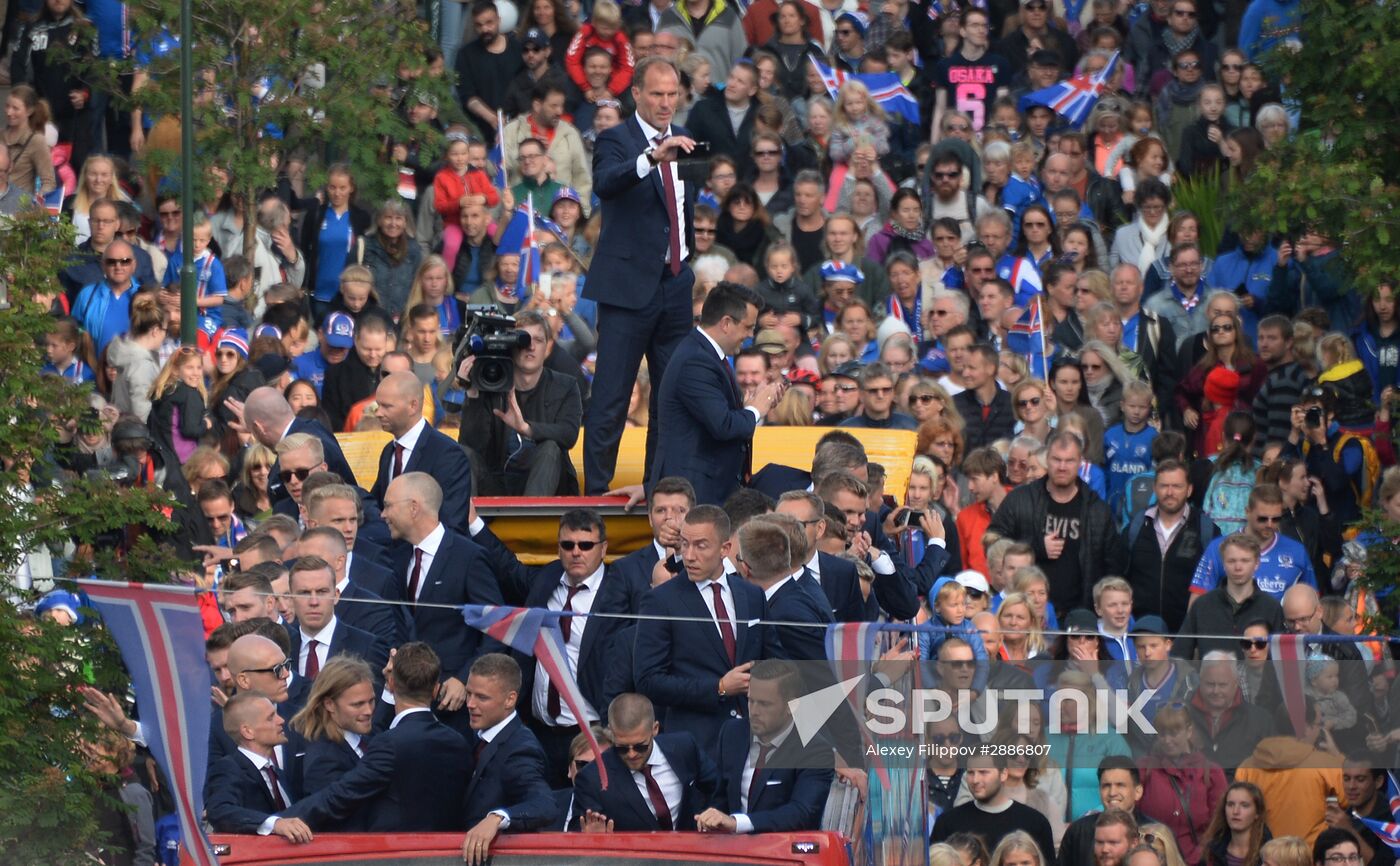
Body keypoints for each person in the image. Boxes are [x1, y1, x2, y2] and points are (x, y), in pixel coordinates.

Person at [583, 56, 705, 496]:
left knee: (671, 398)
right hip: (626, 290)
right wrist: (651, 158)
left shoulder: (686, 141)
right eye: (657, 93)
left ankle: (660, 491)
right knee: (611, 398)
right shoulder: (617, 139)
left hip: (674, 286)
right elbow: (606, 183)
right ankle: (595, 495)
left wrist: (687, 259)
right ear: (636, 94)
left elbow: (682, 207)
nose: (666, 102)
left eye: (673, 94)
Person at [467, 508, 640, 782]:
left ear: (603, 548)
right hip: (540, 730)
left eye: (585, 545)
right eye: (568, 545)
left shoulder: (620, 591)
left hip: (591, 732)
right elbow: (508, 567)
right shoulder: (547, 578)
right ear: (558, 548)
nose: (576, 552)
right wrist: (473, 522)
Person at [633, 505, 782, 751]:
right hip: (697, 748)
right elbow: (648, 681)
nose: (689, 555)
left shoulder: (752, 595)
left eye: (701, 546)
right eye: (684, 544)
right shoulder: (660, 601)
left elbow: (776, 661)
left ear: (725, 549)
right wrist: (719, 687)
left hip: (754, 741)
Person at [282, 641, 473, 833]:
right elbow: (332, 807)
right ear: (330, 704)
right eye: (357, 705)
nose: (368, 711)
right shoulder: (323, 756)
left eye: (371, 701)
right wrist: (274, 823)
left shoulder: (373, 738)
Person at [378, 472, 505, 731]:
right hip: (405, 704)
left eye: (389, 505)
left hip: (452, 705)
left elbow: (497, 629)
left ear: (414, 508)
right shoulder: (398, 557)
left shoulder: (468, 557)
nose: (383, 514)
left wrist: (465, 679)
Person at [650, 282, 782, 506]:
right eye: (748, 327)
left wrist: (746, 407)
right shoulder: (696, 361)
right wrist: (756, 409)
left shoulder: (704, 354)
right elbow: (723, 426)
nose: (750, 335)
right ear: (726, 323)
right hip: (694, 495)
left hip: (706, 490)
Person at [987, 430, 1127, 615]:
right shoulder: (1020, 499)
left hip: (1079, 616)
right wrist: (1035, 547)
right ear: (1047, 460)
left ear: (1080, 462)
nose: (1062, 467)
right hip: (1026, 614)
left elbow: (1113, 568)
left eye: (1069, 461)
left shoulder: (1097, 511)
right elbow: (992, 542)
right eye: (1056, 459)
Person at [456, 310, 583, 497]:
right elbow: (471, 446)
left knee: (551, 448)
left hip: (547, 482)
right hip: (497, 483)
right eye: (523, 339)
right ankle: (468, 525)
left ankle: (531, 524)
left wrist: (526, 428)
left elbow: (568, 434)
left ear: (547, 348)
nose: (530, 347)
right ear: (510, 346)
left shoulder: (565, 385)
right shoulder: (489, 384)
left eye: (538, 340)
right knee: (464, 453)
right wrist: (473, 391)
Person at [699, 659, 834, 833]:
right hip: (731, 852)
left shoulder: (815, 751)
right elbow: (720, 798)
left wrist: (738, 823)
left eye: (764, 704)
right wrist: (712, 819)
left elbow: (802, 813)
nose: (754, 711)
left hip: (783, 853)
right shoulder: (732, 734)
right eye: (750, 701)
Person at [459, 653, 558, 863]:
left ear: (510, 699)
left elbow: (544, 805)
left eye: (482, 697)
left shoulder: (520, 750)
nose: (470, 703)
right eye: (469, 694)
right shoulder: (476, 733)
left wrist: (497, 818)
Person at [572, 692, 720, 831]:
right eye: (622, 748)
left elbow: (719, 788)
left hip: (690, 852)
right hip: (632, 857)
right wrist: (595, 839)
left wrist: (711, 816)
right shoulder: (592, 778)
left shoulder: (684, 748)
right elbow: (578, 832)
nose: (631, 754)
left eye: (640, 746)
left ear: (655, 729)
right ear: (612, 733)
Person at [1122, 460, 1220, 632]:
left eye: (1176, 486)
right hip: (1141, 634)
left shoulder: (1207, 530)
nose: (1169, 492)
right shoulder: (1136, 527)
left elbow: (1216, 585)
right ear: (1154, 488)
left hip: (1186, 635)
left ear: (1189, 490)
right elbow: (1120, 576)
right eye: (1164, 486)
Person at [370, 371, 473, 532]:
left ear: (413, 406)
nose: (378, 413)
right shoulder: (389, 451)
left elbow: (452, 521)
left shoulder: (447, 454)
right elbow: (377, 505)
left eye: (387, 406)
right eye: (378, 405)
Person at [204, 692, 314, 840]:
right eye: (271, 717)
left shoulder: (278, 774)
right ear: (248, 731)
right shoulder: (229, 768)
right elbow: (220, 810)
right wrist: (275, 824)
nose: (281, 720)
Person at [1236, 699, 1343, 848]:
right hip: (1308, 857)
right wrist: (1338, 757)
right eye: (1319, 724)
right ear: (1305, 728)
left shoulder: (1246, 767)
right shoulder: (1327, 765)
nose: (1321, 730)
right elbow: (1353, 799)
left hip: (1264, 857)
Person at [1190, 485, 1316, 603]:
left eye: (1276, 519)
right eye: (1262, 518)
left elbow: (1312, 601)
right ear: (1247, 512)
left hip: (1280, 625)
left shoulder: (1297, 551)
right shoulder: (1218, 548)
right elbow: (1197, 601)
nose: (1269, 524)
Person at [931, 752, 1058, 860]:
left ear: (1003, 774)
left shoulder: (1035, 822)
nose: (975, 780)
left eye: (983, 772)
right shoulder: (948, 822)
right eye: (970, 773)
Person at [283, 556, 388, 682]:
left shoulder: (366, 647)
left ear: (336, 595)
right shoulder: (281, 647)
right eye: (304, 593)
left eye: (322, 592)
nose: (314, 602)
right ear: (290, 598)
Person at [321, 315, 389, 432]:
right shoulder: (335, 375)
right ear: (356, 341)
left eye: (378, 349)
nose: (373, 355)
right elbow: (331, 418)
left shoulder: (395, 370)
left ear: (386, 342)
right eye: (367, 349)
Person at [953, 343, 1017, 449]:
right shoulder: (954, 404)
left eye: (971, 368)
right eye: (964, 368)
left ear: (990, 369)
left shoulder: (1012, 404)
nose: (965, 373)